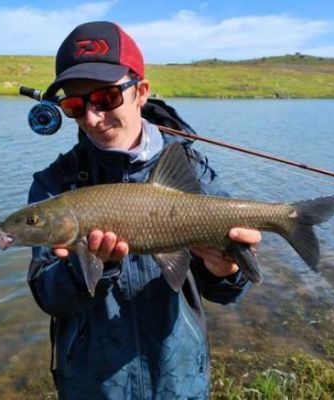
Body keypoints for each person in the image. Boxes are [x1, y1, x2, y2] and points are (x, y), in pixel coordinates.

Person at [27, 21, 261, 399]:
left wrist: (227, 270)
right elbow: (47, 295)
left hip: (180, 379)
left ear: (141, 93)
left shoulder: (189, 166)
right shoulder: (55, 185)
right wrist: (85, 268)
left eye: (105, 99)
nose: (92, 118)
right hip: (92, 385)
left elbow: (228, 291)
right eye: (75, 105)